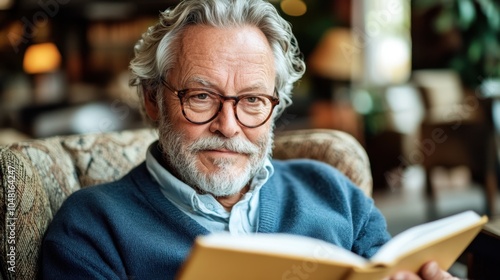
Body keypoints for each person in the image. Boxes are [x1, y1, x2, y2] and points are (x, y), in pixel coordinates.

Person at [41, 0, 458, 279]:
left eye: (253, 100)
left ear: (275, 107)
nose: (229, 125)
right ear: (153, 101)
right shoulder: (91, 229)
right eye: (201, 97)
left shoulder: (333, 191)